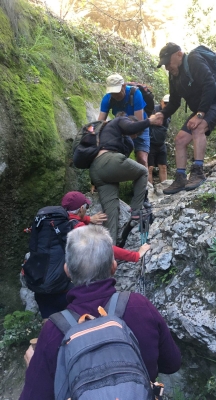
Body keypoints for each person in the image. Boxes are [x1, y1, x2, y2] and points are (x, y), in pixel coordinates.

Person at [20, 225, 181, 400]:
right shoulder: (139, 306)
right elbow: (172, 363)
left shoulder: (54, 330)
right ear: (114, 266)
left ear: (67, 270)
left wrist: (33, 370)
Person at [156, 42, 216, 195]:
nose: (167, 67)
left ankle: (198, 171)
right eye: (164, 65)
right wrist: (163, 114)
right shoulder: (174, 75)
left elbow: (210, 84)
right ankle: (181, 177)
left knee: (198, 128)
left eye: (168, 62)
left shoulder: (194, 60)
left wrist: (200, 114)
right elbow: (174, 102)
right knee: (180, 139)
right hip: (202, 107)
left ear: (179, 54)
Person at [90, 113, 161, 244]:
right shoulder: (121, 120)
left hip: (96, 171)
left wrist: (93, 182)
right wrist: (149, 121)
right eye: (136, 134)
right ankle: (136, 211)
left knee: (111, 214)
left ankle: (109, 250)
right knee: (143, 171)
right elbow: (130, 128)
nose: (135, 136)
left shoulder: (107, 131)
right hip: (108, 161)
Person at [98, 73, 150, 168]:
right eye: (112, 92)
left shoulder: (135, 94)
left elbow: (138, 123)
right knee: (116, 158)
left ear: (124, 86)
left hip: (139, 126)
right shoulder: (107, 99)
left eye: (117, 91)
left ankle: (145, 181)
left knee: (142, 158)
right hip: (121, 128)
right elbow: (100, 123)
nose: (115, 95)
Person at [148, 94, 170, 184]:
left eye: (169, 103)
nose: (167, 105)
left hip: (161, 143)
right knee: (150, 167)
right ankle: (149, 190)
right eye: (165, 103)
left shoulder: (169, 113)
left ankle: (164, 188)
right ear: (161, 101)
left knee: (163, 167)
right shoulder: (154, 109)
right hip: (150, 143)